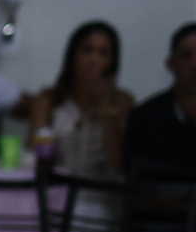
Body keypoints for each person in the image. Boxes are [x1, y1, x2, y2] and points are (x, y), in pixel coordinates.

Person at [26, 20, 133, 176]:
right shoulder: (48, 99)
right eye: (87, 50)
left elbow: (120, 164)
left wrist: (105, 105)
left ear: (112, 62)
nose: (93, 61)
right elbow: (32, 155)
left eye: (103, 53)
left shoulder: (122, 102)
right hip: (57, 187)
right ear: (73, 56)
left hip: (103, 189)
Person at [123, 22, 196, 177]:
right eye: (186, 56)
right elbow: (135, 183)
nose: (194, 65)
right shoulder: (144, 119)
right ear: (171, 63)